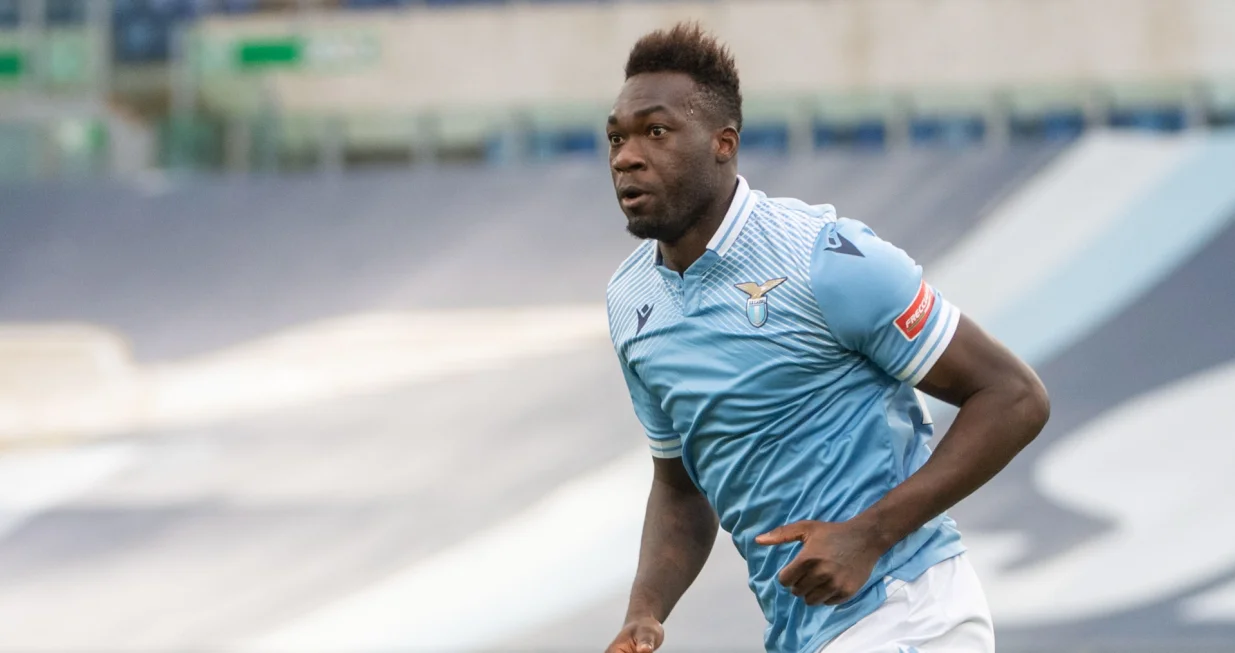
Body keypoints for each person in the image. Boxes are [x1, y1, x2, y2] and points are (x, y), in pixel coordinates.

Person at [602, 22, 1050, 653]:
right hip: (805, 632)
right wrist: (645, 611)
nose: (626, 156)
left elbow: (1013, 396)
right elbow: (680, 484)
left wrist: (869, 534)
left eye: (655, 131)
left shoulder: (827, 259)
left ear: (723, 143)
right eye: (616, 137)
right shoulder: (631, 302)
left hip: (906, 609)